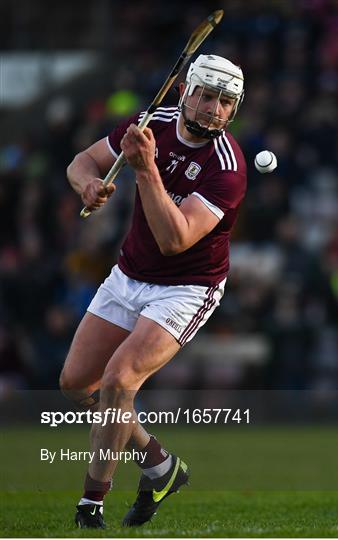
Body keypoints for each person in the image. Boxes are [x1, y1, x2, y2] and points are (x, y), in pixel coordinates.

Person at [60, 54, 246, 529]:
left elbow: (175, 239)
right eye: (207, 95)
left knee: (120, 381)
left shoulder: (227, 167)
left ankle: (90, 506)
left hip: (187, 287)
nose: (214, 109)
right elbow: (83, 161)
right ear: (184, 91)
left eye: (226, 102)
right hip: (129, 274)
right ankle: (161, 465)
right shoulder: (152, 122)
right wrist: (87, 186)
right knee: (78, 385)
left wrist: (145, 169)